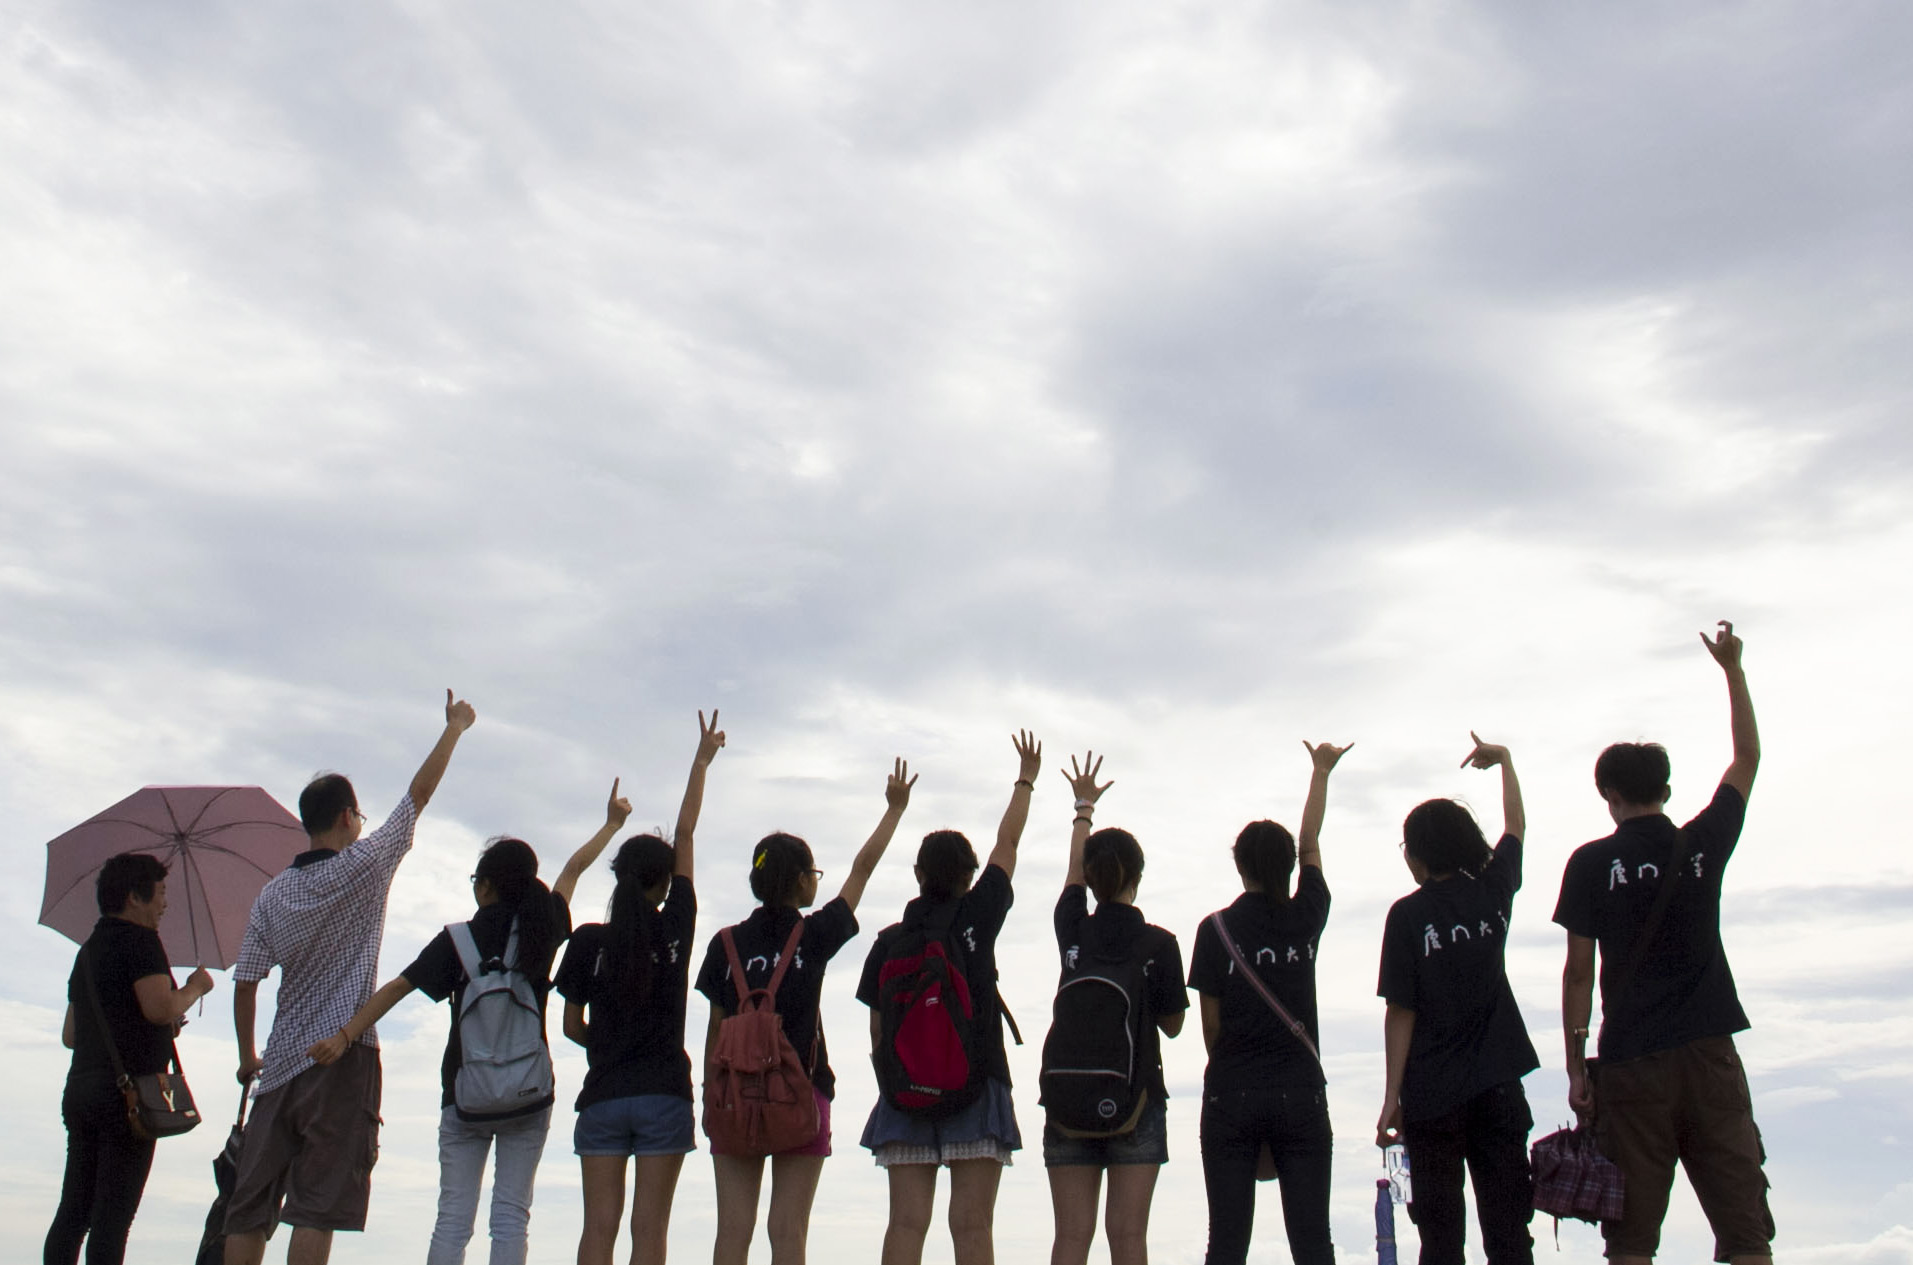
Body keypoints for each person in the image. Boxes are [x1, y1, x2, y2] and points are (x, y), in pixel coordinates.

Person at [306, 771, 643, 1265]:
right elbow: (572, 869)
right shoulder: (543, 926)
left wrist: (344, 1036)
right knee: (511, 1215)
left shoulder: (458, 940)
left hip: (464, 1093)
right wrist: (611, 825)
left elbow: (398, 987)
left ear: (485, 886)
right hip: (528, 1092)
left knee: (452, 1218)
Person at [224, 689, 477, 1265]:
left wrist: (247, 1055)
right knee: (316, 1207)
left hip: (279, 1064)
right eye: (359, 816)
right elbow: (416, 798)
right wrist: (454, 729)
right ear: (346, 817)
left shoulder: (271, 895)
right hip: (342, 1054)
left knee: (249, 1207)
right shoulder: (365, 865)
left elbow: (246, 981)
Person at [1554, 622, 1772, 1265]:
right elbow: (1746, 759)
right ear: (1668, 792)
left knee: (1631, 1238)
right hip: (1709, 1051)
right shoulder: (1701, 843)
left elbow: (1578, 974)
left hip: (1632, 1062)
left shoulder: (1591, 863)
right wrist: (1733, 670)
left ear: (1608, 795)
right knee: (1745, 1231)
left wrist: (1576, 1064)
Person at [695, 757, 917, 1265]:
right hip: (802, 1091)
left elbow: (715, 1030)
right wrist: (894, 810)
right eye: (813, 874)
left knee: (732, 1231)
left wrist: (711, 1095)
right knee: (788, 1230)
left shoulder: (724, 943)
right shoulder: (812, 936)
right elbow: (861, 872)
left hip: (733, 1096)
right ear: (800, 882)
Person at [857, 731, 1042, 1265]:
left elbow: (877, 1029)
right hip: (976, 1083)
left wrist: (897, 1077)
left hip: (903, 1092)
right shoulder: (977, 919)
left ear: (917, 875)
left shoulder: (890, 941)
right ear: (969, 876)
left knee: (905, 1224)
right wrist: (1025, 780)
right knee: (971, 1225)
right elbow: (1008, 845)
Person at [553, 710, 726, 1265]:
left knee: (597, 1229)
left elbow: (571, 1026)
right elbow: (686, 832)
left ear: (618, 876)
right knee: (649, 1231)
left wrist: (607, 1045)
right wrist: (701, 760)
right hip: (663, 1093)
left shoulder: (588, 941)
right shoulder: (675, 926)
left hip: (603, 1095)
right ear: (666, 881)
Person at [1376, 736, 1537, 1265]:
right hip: (1499, 1083)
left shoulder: (1407, 915)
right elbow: (1516, 828)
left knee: (1441, 1241)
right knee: (1509, 1236)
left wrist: (1392, 1096)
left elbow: (1401, 1010)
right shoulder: (1493, 890)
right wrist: (1506, 763)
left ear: (1417, 854)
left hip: (1431, 1096)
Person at [1187, 740, 1350, 1265]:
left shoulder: (1214, 929)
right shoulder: (1307, 914)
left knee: (1226, 1242)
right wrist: (1321, 772)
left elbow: (1210, 1028)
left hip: (1231, 1090)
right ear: (1288, 866)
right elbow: (1311, 842)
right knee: (1313, 1241)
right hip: (1301, 1089)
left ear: (1240, 866)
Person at [1044, 752, 1189, 1265]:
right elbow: (1173, 1025)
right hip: (1137, 1101)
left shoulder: (1072, 927)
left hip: (1067, 1101)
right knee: (1127, 1238)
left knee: (1070, 1239)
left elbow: (1071, 876)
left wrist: (1083, 810)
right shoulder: (1158, 943)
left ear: (1089, 877)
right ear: (1138, 877)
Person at [45, 852, 216, 1265]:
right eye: (160, 893)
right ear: (134, 897)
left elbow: (71, 1035)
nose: (165, 904)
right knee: (112, 1220)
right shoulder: (142, 941)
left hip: (82, 1091)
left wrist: (157, 1021)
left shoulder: (87, 951)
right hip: (128, 1098)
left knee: (74, 1212)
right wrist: (195, 988)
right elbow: (159, 1008)